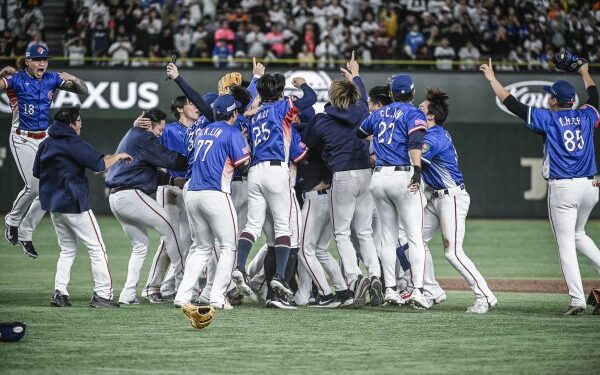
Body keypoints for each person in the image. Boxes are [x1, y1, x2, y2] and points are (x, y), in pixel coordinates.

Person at [480, 58, 600, 315]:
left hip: (564, 188)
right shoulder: (586, 115)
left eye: (550, 97)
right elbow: (594, 95)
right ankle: (579, 296)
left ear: (555, 101)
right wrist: (584, 71)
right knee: (579, 235)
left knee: (566, 243)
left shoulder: (549, 118)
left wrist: (492, 79)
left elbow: (513, 104)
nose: (547, 100)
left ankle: (577, 299)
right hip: (591, 185)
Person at [232, 71, 317, 308]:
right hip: (276, 170)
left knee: (252, 225)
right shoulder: (281, 108)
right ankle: (280, 277)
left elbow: (243, 115)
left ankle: (239, 267)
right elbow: (308, 99)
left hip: (255, 172)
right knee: (283, 227)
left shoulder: (255, 114)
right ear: (280, 93)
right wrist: (303, 84)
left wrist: (249, 102)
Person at [32, 106, 131, 308]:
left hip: (53, 205)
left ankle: (60, 292)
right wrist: (119, 156)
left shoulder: (47, 142)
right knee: (97, 248)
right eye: (79, 120)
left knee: (67, 250)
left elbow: (36, 172)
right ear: (71, 124)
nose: (81, 123)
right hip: (74, 204)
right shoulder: (73, 142)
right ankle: (102, 295)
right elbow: (99, 165)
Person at [302, 52, 380, 308]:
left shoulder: (322, 120)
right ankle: (377, 277)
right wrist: (356, 75)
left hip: (342, 176)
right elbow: (362, 97)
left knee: (342, 233)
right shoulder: (360, 111)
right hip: (366, 175)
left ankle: (355, 279)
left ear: (331, 97)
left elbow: (308, 146)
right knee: (365, 232)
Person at [1, 44, 88, 258]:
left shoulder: (51, 78)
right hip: (22, 136)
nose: (42, 63)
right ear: (27, 61)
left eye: (45, 59)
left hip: (44, 137)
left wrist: (73, 78)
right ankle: (12, 221)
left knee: (48, 189)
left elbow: (84, 90)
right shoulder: (17, 79)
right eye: (37, 60)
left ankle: (26, 231)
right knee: (34, 186)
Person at [418, 87, 497, 314]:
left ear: (431, 116)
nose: (417, 110)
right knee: (414, 241)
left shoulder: (434, 137)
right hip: (436, 196)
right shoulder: (431, 133)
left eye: (421, 108)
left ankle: (485, 295)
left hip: (451, 197)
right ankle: (431, 290)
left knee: (453, 251)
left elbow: (414, 157)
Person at [358, 73, 429, 309]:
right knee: (414, 237)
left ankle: (389, 289)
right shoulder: (413, 113)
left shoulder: (378, 113)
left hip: (379, 177)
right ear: (412, 92)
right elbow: (415, 142)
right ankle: (417, 290)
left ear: (391, 93)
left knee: (387, 238)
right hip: (402, 175)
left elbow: (360, 132)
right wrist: (417, 171)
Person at [174, 94, 250, 310]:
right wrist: (242, 141)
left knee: (201, 247)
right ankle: (217, 296)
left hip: (193, 193)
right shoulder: (232, 132)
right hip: (215, 194)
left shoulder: (203, 130)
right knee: (228, 246)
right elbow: (243, 166)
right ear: (234, 113)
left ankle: (182, 295)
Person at [105, 109, 188, 305]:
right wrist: (194, 156)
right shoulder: (144, 137)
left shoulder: (133, 135)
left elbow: (146, 171)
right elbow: (170, 159)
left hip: (116, 198)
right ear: (149, 124)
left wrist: (173, 180)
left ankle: (127, 295)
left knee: (140, 246)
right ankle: (185, 283)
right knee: (171, 228)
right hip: (130, 195)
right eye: (160, 127)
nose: (161, 132)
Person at [142, 96, 198, 301]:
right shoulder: (170, 130)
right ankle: (152, 287)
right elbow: (149, 145)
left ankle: (170, 287)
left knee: (187, 240)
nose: (195, 107)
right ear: (179, 108)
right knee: (170, 240)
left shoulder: (199, 129)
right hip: (169, 187)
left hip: (191, 189)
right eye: (190, 104)